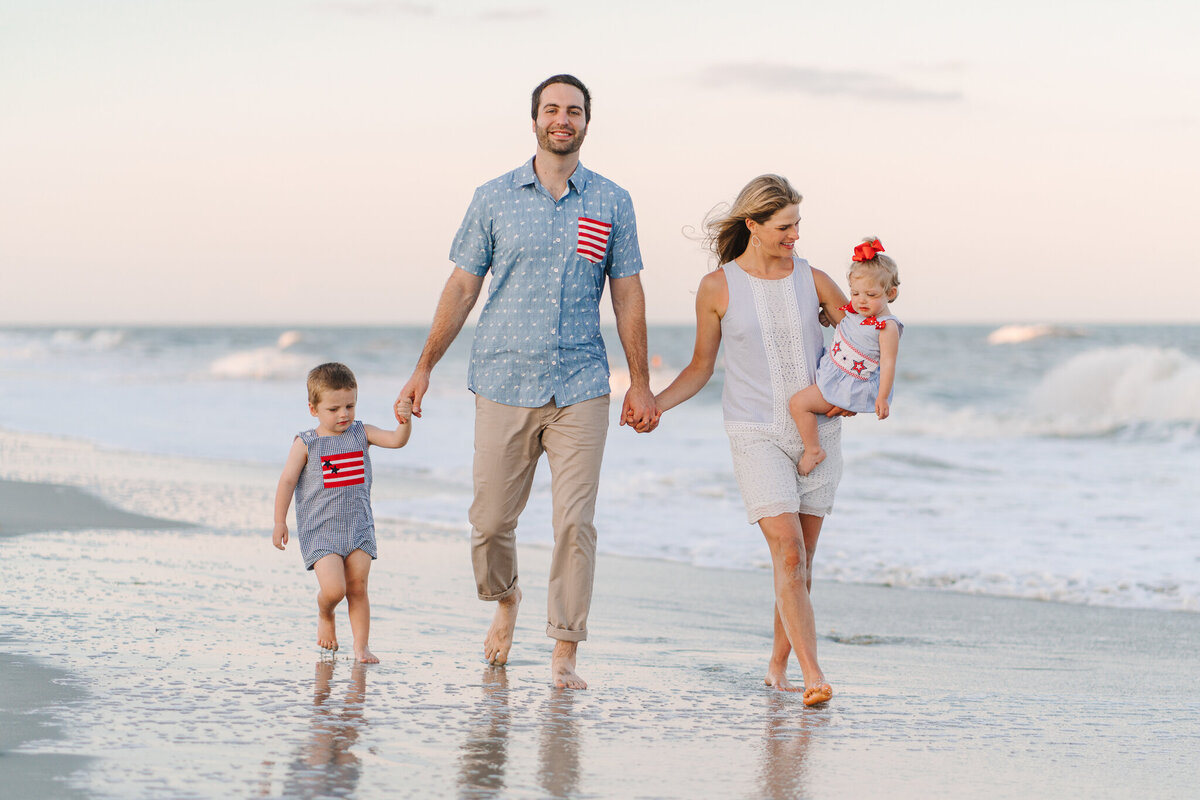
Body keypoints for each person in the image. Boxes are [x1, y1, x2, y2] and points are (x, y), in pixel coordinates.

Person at [394, 74, 656, 690]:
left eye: (574, 110)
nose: (562, 119)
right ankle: (505, 596)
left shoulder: (612, 201)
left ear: (588, 122)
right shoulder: (492, 198)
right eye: (552, 109)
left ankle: (565, 648)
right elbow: (463, 287)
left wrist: (639, 382)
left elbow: (628, 293)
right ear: (534, 119)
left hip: (582, 382)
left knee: (575, 521)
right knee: (489, 522)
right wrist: (424, 366)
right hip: (502, 379)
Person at [653, 175, 847, 706]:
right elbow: (699, 367)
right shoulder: (718, 287)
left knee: (802, 558)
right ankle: (814, 675)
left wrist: (860, 378)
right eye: (785, 227)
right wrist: (655, 403)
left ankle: (779, 664)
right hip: (755, 431)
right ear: (753, 226)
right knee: (787, 552)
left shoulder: (814, 279)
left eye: (798, 225)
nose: (795, 236)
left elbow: (861, 339)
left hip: (817, 432)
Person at [274, 362, 414, 663]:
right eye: (334, 409)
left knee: (358, 587)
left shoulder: (361, 433)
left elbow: (397, 440)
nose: (344, 415)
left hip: (358, 526)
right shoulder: (306, 443)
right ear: (314, 409)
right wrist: (279, 521)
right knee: (335, 589)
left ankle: (361, 647)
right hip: (321, 530)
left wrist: (405, 419)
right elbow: (286, 481)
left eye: (350, 406)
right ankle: (325, 612)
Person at [790, 238, 902, 475]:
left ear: (890, 293)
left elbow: (888, 362)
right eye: (855, 293)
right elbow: (849, 331)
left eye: (870, 294)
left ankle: (813, 450)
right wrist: (828, 319)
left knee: (798, 404)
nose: (861, 300)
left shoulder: (886, 326)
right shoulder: (857, 312)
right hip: (836, 372)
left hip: (849, 384)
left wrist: (882, 397)